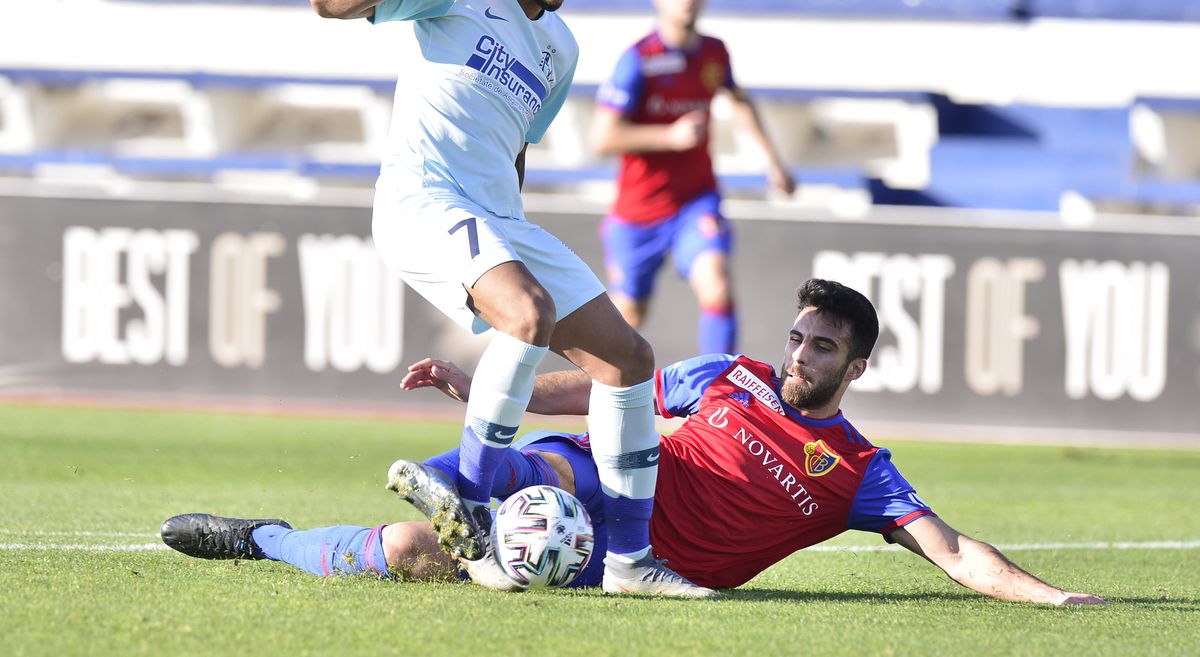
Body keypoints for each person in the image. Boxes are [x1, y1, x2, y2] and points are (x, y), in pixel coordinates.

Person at [160, 280, 1104, 605]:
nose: (799, 354)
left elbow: (949, 547)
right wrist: (488, 380)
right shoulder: (726, 374)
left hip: (624, 555)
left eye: (822, 347)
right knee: (555, 456)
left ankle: (268, 536)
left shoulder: (859, 470)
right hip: (600, 480)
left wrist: (1051, 594)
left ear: (855, 368)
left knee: (406, 552)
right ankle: (466, 486)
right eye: (798, 335)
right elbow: (613, 391)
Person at [306, 0, 709, 597]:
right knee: (527, 314)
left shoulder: (561, 47)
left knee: (628, 360)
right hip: (422, 201)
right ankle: (464, 491)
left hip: (497, 219)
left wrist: (508, 238)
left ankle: (629, 563)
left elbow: (516, 146)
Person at [590, 0, 796, 356]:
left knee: (716, 284)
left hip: (695, 202)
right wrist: (670, 136)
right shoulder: (638, 61)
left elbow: (737, 100)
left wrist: (772, 161)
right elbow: (602, 137)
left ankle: (715, 397)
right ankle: (598, 404)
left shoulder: (714, 53)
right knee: (627, 319)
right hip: (639, 211)